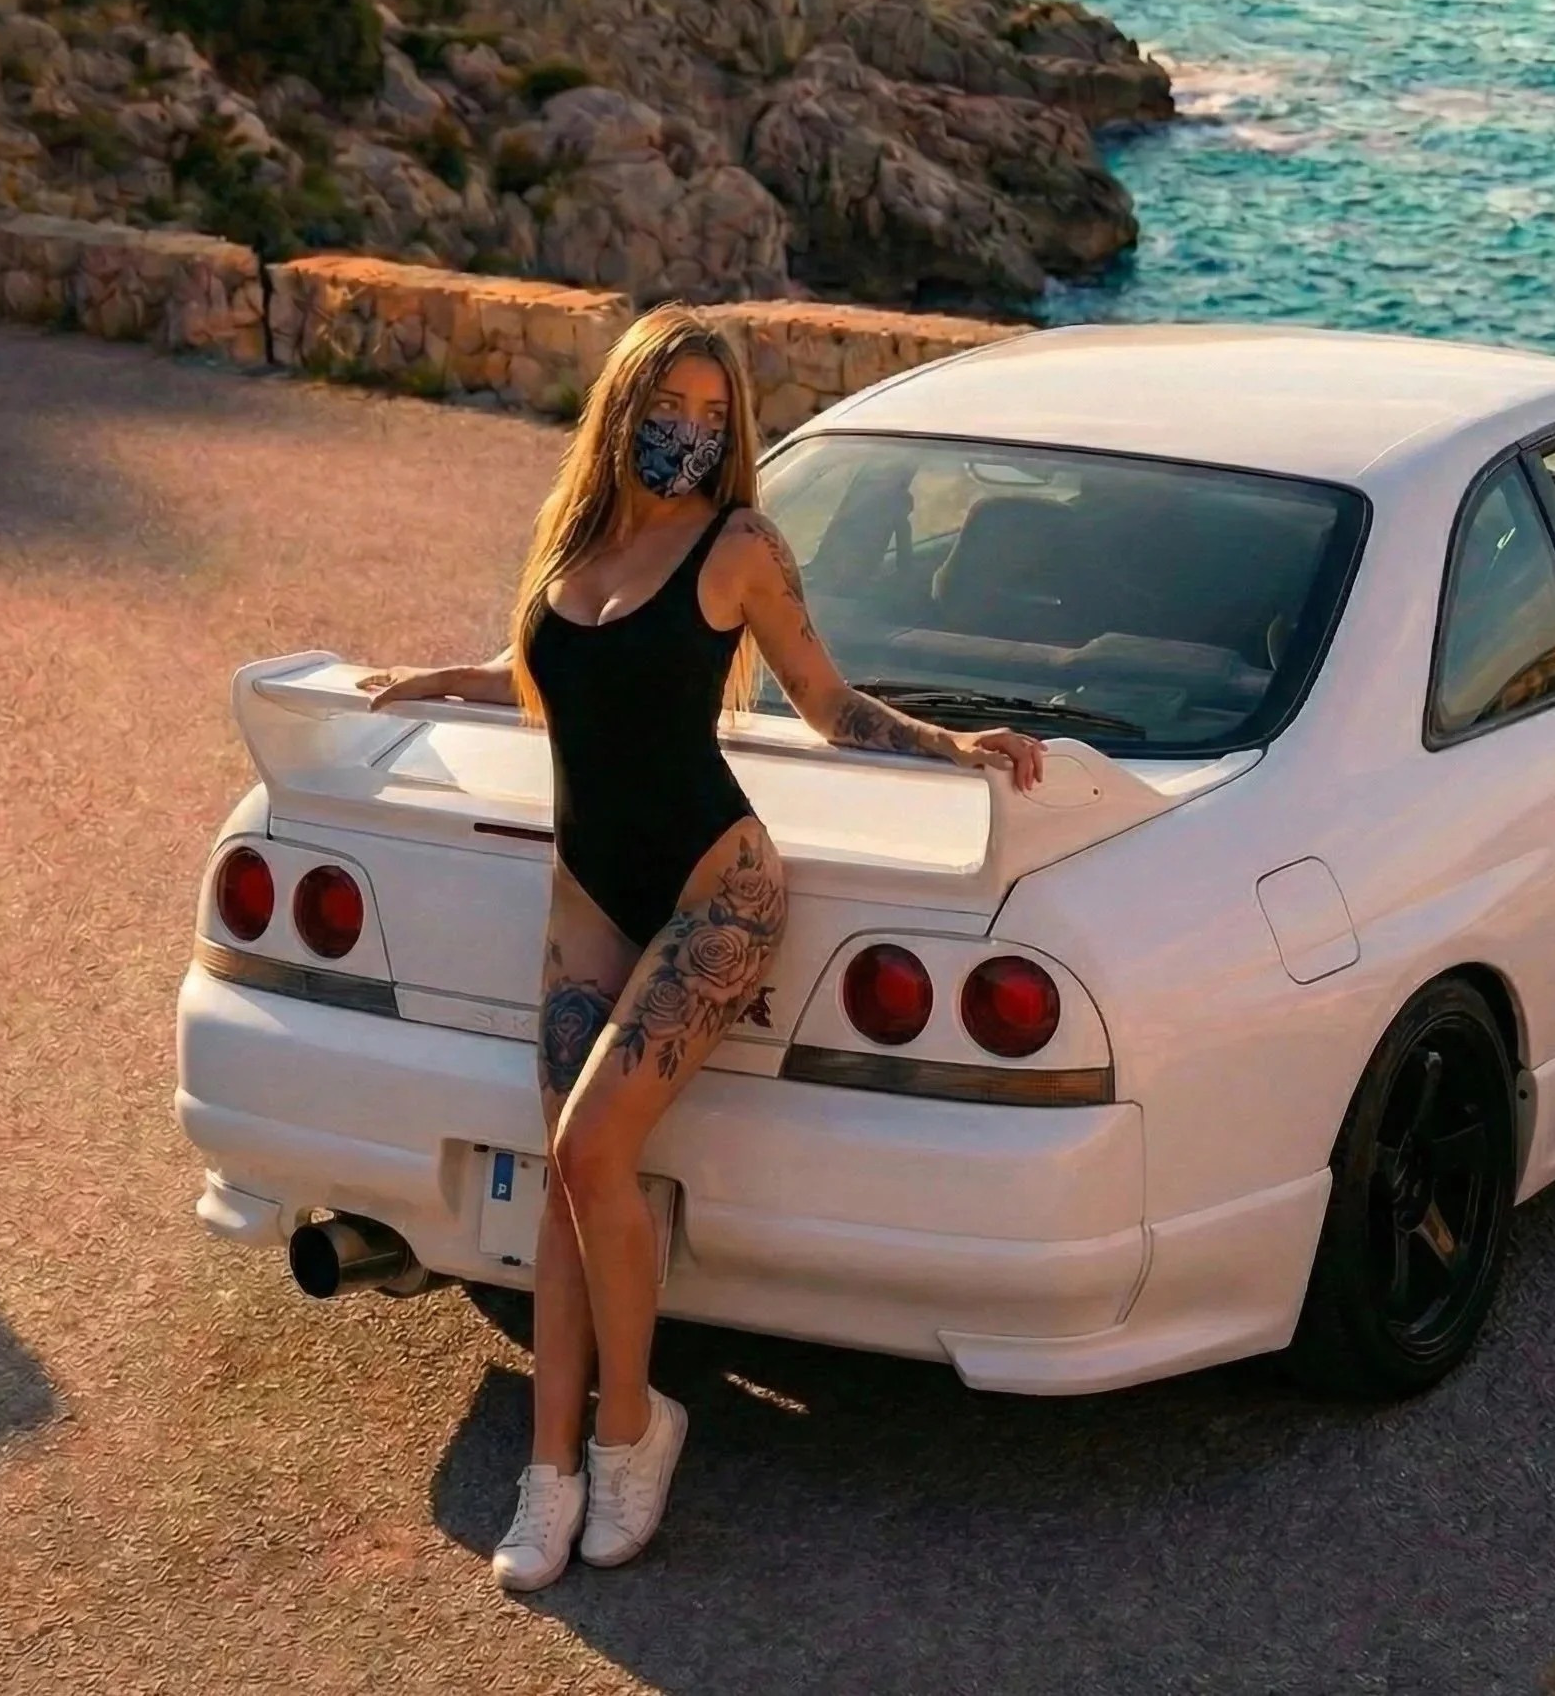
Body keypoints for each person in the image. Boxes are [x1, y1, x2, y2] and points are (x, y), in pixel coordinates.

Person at [355, 305, 1044, 1594]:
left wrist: (956, 748)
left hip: (717, 890)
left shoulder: (739, 548)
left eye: (715, 417)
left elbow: (827, 704)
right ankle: (548, 1472)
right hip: (588, 893)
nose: (691, 434)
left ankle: (632, 1432)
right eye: (669, 409)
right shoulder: (575, 542)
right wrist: (436, 681)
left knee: (587, 1152)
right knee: (565, 1186)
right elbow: (550, 678)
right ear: (623, 410)